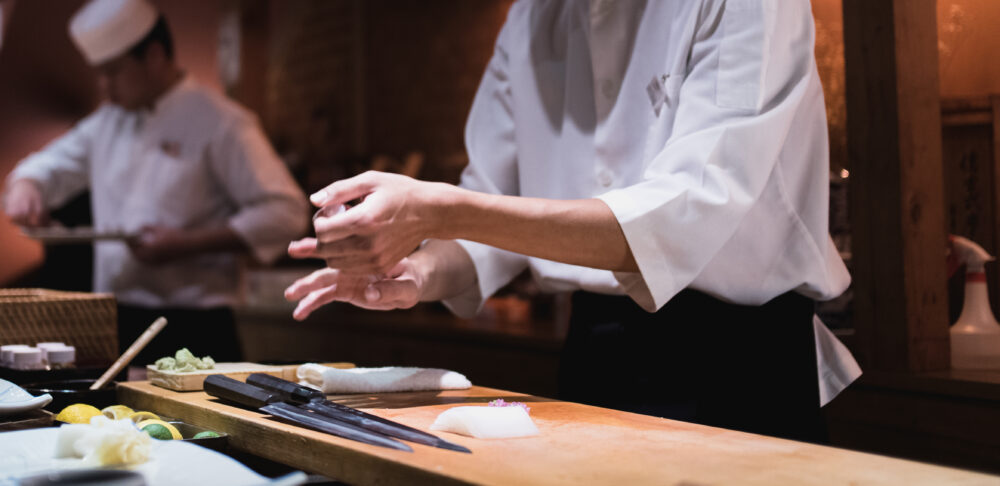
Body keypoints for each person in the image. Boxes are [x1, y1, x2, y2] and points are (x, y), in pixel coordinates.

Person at [284, 0, 861, 442]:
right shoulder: (533, 17)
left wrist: (438, 210)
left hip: (739, 361)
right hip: (593, 353)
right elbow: (491, 208)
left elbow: (684, 213)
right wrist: (412, 269)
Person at [3, 0, 309, 365]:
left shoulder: (221, 121)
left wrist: (188, 244)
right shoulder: (108, 121)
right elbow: (43, 167)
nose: (105, 87)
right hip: (115, 318)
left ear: (154, 55)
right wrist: (27, 188)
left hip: (196, 323)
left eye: (113, 72)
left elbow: (285, 211)